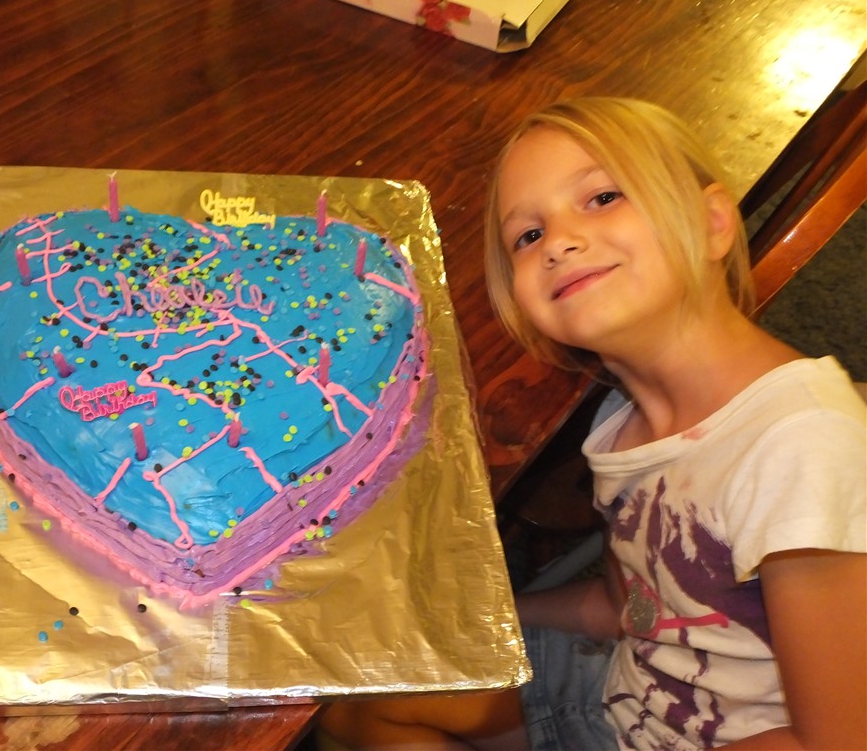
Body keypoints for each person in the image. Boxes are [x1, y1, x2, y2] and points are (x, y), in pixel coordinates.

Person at [319, 97, 867, 750]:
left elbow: (838, 739)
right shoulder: (621, 427)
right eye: (528, 236)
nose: (559, 241)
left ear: (713, 222)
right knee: (356, 708)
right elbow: (629, 608)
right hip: (623, 693)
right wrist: (490, 618)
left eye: (603, 198)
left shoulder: (803, 448)